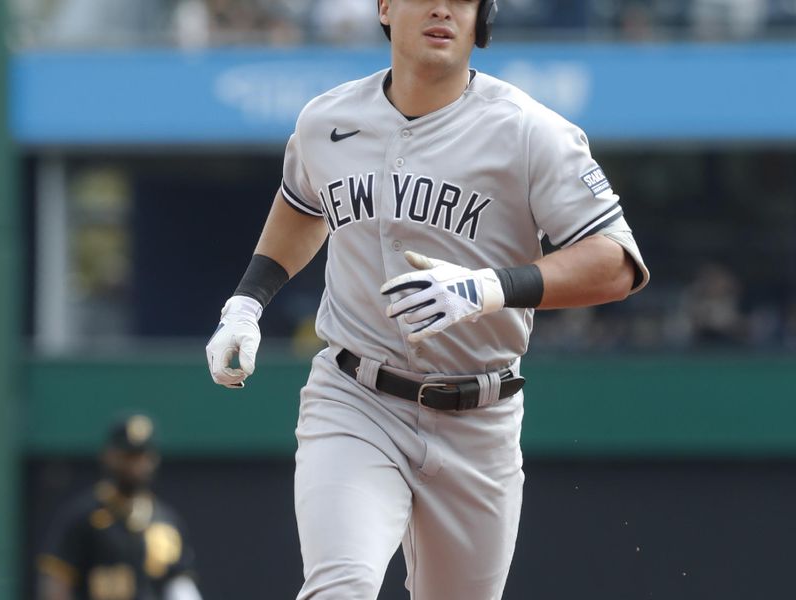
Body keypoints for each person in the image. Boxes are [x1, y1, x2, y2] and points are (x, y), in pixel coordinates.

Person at [206, 1, 650, 597]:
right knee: (340, 588)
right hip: (357, 397)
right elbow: (304, 203)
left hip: (480, 415)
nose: (443, 7)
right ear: (386, 7)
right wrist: (246, 303)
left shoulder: (528, 130)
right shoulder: (327, 119)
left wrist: (490, 287)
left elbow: (616, 261)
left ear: (482, 18)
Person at [36, 415, 202, 600]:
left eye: (142, 457)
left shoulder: (166, 520)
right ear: (109, 456)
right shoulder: (84, 518)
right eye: (128, 457)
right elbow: (57, 580)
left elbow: (179, 584)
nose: (136, 465)